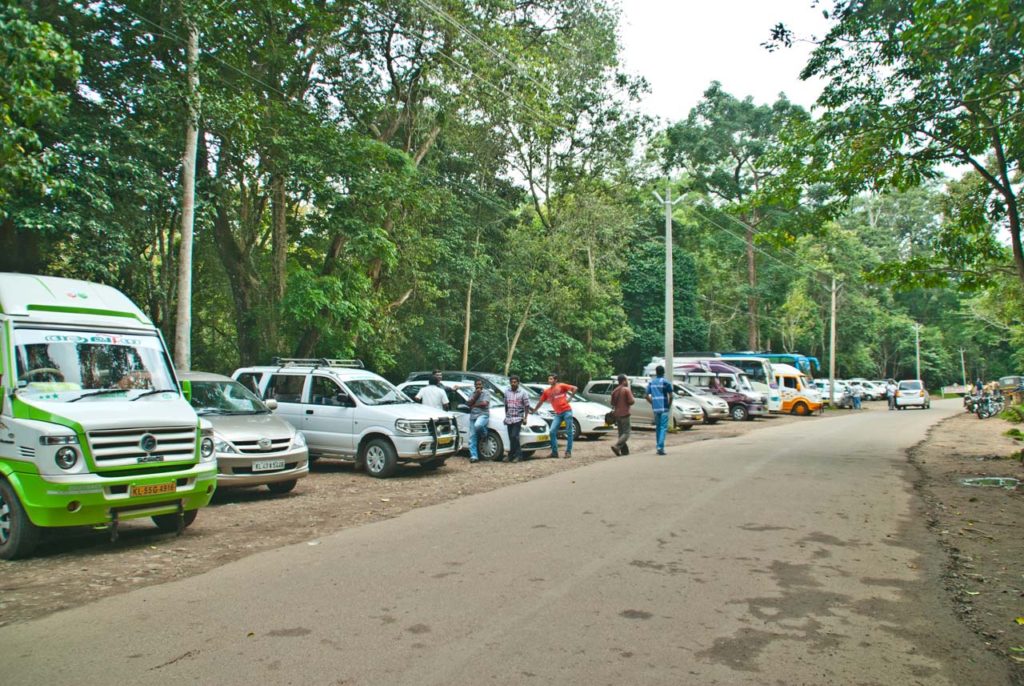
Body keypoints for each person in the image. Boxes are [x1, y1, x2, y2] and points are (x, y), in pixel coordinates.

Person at [533, 373, 576, 458]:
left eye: (551, 379)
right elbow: (540, 402)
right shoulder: (547, 391)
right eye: (549, 379)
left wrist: (570, 398)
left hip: (567, 411)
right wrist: (534, 410)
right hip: (558, 414)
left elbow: (575, 388)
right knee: (552, 431)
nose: (550, 380)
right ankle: (554, 452)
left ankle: (568, 452)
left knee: (569, 432)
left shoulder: (561, 386)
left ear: (556, 380)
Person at [646, 366, 674, 455]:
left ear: (656, 372)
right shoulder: (666, 382)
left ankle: (658, 446)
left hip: (655, 408)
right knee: (663, 428)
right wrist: (669, 406)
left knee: (658, 428)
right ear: (663, 372)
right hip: (664, 408)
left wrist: (653, 403)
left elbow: (646, 396)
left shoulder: (652, 383)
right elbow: (671, 396)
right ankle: (660, 447)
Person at [503, 375, 531, 462]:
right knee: (511, 437)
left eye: (515, 382)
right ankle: (511, 455)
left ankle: (519, 455)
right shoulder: (507, 392)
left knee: (514, 436)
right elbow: (506, 405)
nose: (513, 384)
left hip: (518, 418)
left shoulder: (523, 393)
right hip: (509, 418)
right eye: (512, 382)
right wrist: (506, 415)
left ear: (518, 383)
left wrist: (525, 418)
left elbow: (527, 406)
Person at [466, 379, 492, 463]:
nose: (478, 386)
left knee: (478, 425)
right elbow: (468, 404)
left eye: (480, 384)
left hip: (483, 414)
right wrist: (476, 396)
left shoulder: (486, 393)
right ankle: (474, 456)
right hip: (473, 416)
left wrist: (474, 405)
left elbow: (485, 404)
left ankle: (485, 434)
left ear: (482, 385)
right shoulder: (472, 394)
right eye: (476, 385)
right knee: (472, 437)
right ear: (474, 385)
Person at [609, 374, 634, 456]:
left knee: (621, 433)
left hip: (617, 414)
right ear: (623, 381)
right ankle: (616, 446)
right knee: (626, 433)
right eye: (626, 380)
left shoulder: (614, 391)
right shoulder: (626, 390)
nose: (627, 381)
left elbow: (612, 403)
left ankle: (624, 451)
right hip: (625, 413)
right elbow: (631, 401)